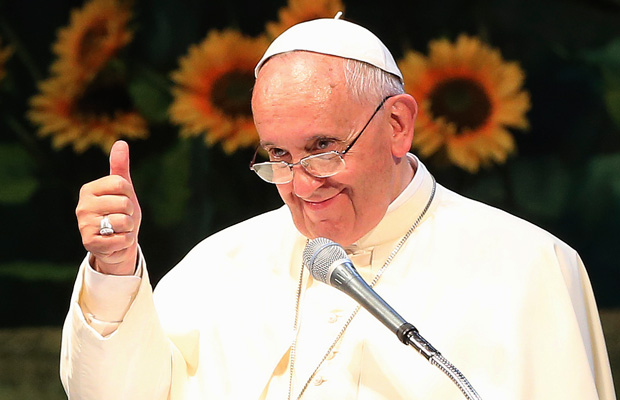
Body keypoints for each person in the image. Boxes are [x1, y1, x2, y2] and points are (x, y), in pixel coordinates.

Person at [60, 15, 615, 400]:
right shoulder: (220, 262)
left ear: (397, 125)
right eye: (278, 155)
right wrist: (114, 272)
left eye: (323, 149)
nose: (301, 184)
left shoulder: (527, 266)